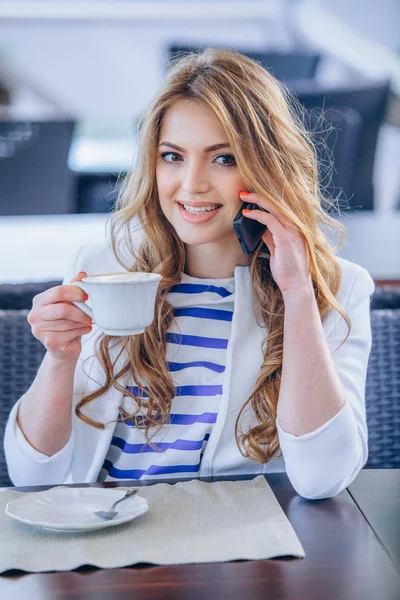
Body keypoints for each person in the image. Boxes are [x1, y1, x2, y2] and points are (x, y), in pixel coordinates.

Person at [4, 48, 375, 499]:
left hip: (240, 548)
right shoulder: (104, 268)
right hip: (110, 544)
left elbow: (323, 479)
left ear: (267, 166)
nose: (192, 183)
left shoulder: (336, 288)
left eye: (223, 158)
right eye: (173, 156)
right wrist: (59, 359)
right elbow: (32, 477)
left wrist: (297, 293)